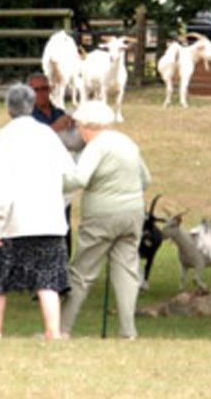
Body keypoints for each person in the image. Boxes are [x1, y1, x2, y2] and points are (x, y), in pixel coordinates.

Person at [0, 84, 75, 340]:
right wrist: (61, 202)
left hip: (14, 220)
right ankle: (53, 331)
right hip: (48, 218)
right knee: (47, 280)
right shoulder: (48, 136)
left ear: (8, 108)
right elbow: (71, 177)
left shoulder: (3, 137)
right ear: (32, 105)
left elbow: (0, 182)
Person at [58, 101, 151, 340]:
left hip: (101, 216)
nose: (77, 130)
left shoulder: (96, 146)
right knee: (127, 271)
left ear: (88, 125)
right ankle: (128, 331)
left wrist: (55, 180)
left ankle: (60, 329)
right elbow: (145, 180)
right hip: (133, 214)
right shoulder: (128, 142)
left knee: (81, 272)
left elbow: (79, 178)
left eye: (78, 125)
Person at [27, 74, 82, 152]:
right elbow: (29, 143)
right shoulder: (26, 116)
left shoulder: (59, 113)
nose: (41, 93)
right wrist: (55, 127)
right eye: (36, 90)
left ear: (49, 90)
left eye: (44, 89)